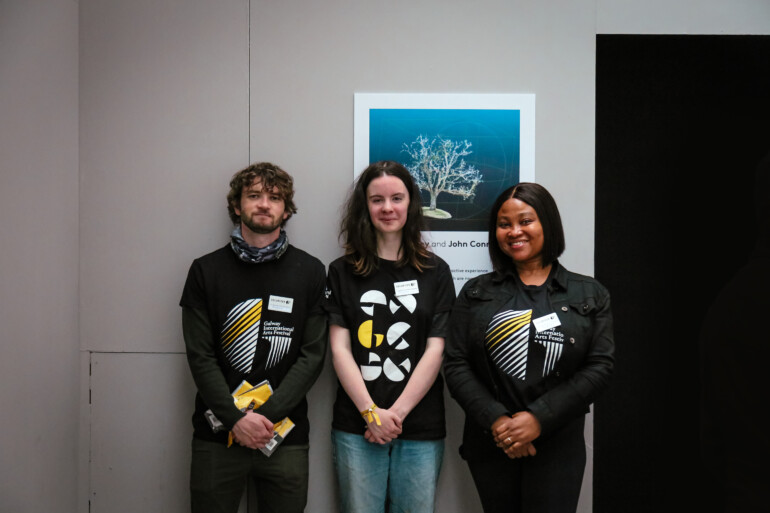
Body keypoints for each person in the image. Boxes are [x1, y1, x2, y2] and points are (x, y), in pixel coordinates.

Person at [444, 182, 614, 513]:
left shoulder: (589, 293)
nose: (514, 231)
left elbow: (600, 366)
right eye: (504, 224)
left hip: (557, 444)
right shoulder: (476, 292)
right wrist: (498, 422)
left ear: (547, 223)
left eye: (525, 220)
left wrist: (537, 419)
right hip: (493, 441)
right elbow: (456, 363)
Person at [179, 162, 327, 513]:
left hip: (285, 436)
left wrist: (265, 418)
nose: (264, 204)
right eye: (254, 195)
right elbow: (200, 356)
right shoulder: (205, 270)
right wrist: (235, 420)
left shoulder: (311, 271)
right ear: (236, 206)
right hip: (216, 437)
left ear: (286, 209)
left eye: (275, 197)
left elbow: (313, 355)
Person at [324, 160, 455, 513]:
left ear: (411, 202)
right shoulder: (341, 272)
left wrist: (393, 415)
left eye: (397, 198)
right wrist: (370, 413)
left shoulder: (437, 272)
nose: (387, 208)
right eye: (377, 199)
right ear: (364, 206)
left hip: (420, 426)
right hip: (357, 426)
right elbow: (339, 350)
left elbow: (436, 350)